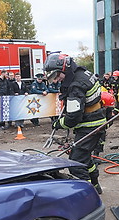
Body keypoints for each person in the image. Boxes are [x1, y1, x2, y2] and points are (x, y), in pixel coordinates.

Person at [44, 53, 106, 194]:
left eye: (56, 76)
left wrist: (58, 124)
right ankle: (95, 186)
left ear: (64, 69)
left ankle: (87, 195)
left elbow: (73, 118)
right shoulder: (82, 72)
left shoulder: (75, 85)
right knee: (85, 158)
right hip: (96, 122)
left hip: (89, 126)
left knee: (76, 163)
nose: (55, 81)